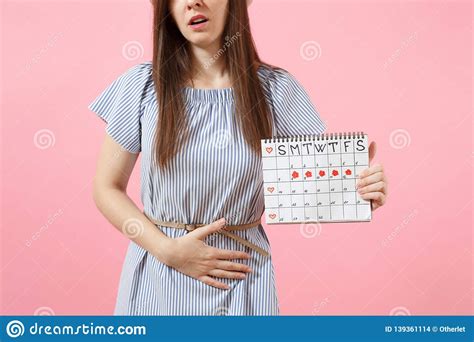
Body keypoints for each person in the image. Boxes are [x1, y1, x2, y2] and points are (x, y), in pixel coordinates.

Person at [89, 0, 388, 315]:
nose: (192, 2)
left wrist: (358, 186)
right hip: (159, 274)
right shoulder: (141, 86)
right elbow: (106, 187)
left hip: (242, 276)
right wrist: (169, 251)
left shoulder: (276, 89)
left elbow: (317, 188)